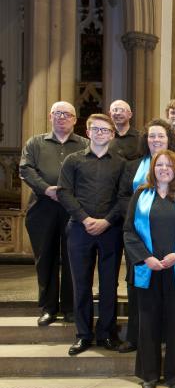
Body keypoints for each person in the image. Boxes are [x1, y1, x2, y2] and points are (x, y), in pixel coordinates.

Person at [123, 150, 175, 388]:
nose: (164, 168)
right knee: (148, 322)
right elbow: (128, 231)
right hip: (149, 268)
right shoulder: (140, 195)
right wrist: (146, 258)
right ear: (153, 169)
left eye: (169, 165)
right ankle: (149, 374)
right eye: (160, 165)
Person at [57, 113, 125, 355]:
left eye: (104, 130)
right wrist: (85, 219)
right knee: (81, 284)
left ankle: (106, 333)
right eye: (95, 129)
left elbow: (123, 197)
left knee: (109, 284)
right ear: (87, 132)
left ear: (112, 134)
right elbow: (64, 192)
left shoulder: (120, 163)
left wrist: (106, 221)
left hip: (110, 230)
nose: (99, 133)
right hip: (79, 228)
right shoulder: (73, 161)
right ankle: (83, 335)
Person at [19, 101, 88, 327]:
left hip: (73, 210)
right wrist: (46, 189)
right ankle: (49, 307)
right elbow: (25, 169)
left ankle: (70, 308)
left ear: (74, 120)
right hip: (42, 208)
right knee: (45, 258)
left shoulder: (84, 144)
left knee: (72, 259)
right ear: (50, 117)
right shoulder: (36, 143)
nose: (61, 118)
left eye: (67, 114)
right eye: (57, 113)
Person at [117, 119, 175, 353]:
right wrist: (136, 217)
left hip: (169, 235)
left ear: (169, 139)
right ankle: (135, 336)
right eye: (151, 136)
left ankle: (164, 336)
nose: (155, 140)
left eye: (160, 136)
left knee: (168, 289)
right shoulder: (133, 166)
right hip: (138, 233)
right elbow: (123, 195)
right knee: (138, 287)